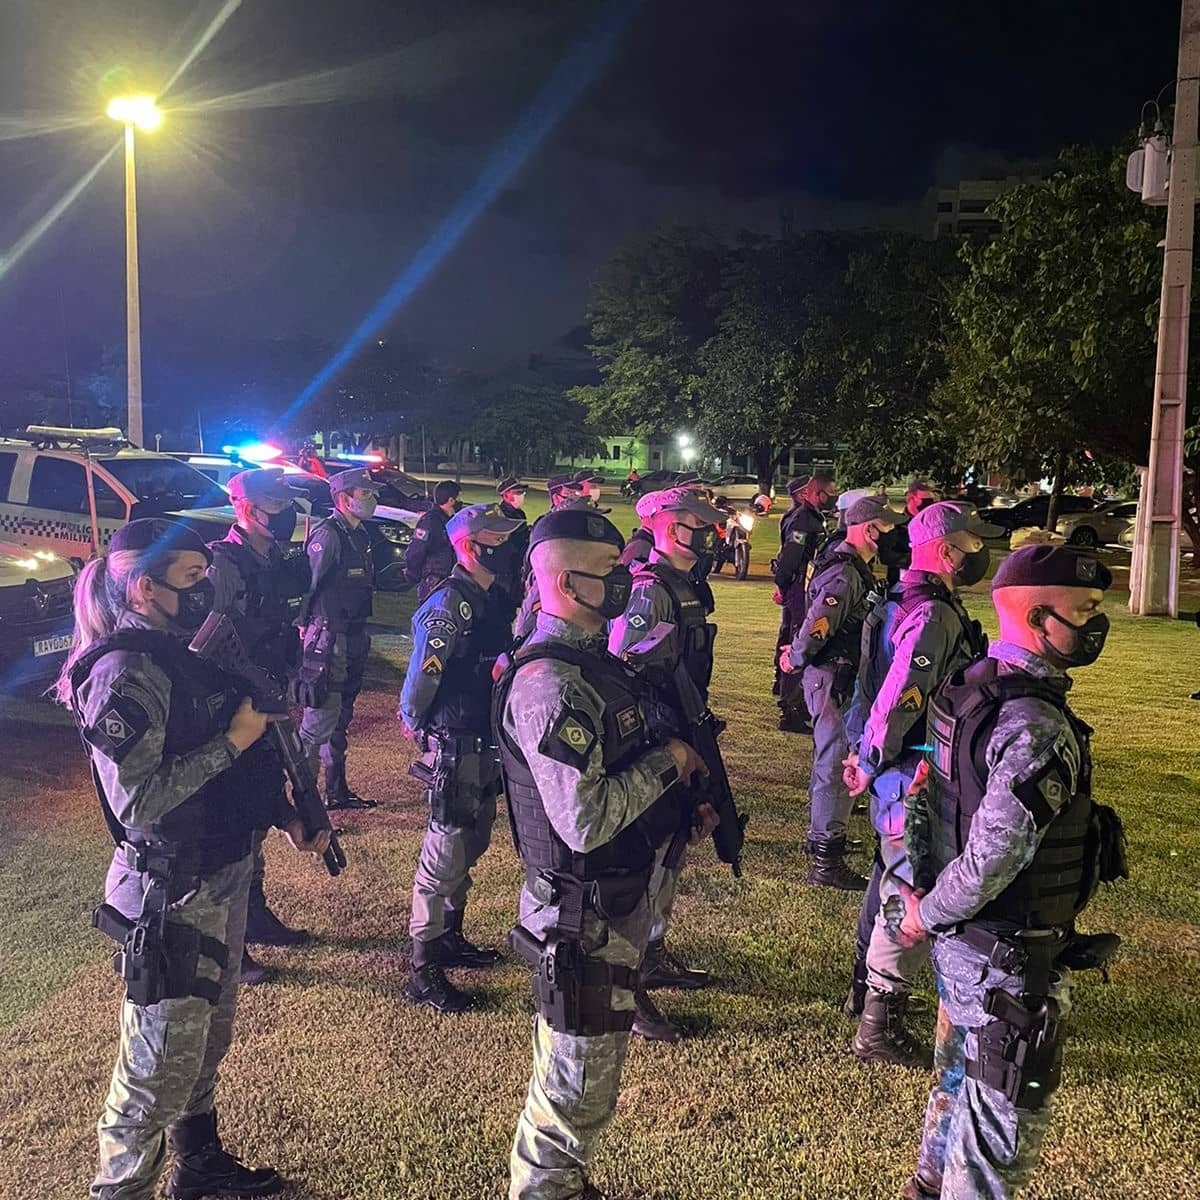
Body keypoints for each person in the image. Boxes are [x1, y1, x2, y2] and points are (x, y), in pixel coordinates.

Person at [56, 519, 329, 1200]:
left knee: (205, 1039)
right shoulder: (125, 671)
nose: (209, 589)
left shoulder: (185, 651)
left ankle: (199, 1166)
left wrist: (285, 813)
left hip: (220, 872)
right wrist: (234, 741)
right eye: (192, 578)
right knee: (152, 1073)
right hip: (169, 891)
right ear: (145, 589)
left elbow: (232, 770)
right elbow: (140, 800)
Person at [493, 506, 709, 1200]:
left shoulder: (591, 663)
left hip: (604, 904)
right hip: (578, 918)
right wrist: (672, 763)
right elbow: (584, 821)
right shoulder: (551, 685)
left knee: (583, 1083)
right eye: (610, 571)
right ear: (565, 584)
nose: (626, 580)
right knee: (573, 1095)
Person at [895, 544, 1122, 1200]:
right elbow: (995, 856)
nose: (1095, 624)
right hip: (1009, 963)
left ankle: (926, 1186)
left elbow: (924, 797)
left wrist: (924, 896)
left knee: (955, 1083)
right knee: (995, 1144)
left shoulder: (969, 688)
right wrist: (926, 910)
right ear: (1039, 617)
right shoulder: (1035, 726)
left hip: (966, 951)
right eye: (1085, 610)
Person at [840, 501, 999, 1064]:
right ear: (946, 550)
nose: (980, 553)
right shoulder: (932, 614)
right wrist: (871, 757)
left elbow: (866, 687)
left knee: (888, 872)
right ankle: (878, 1025)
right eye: (973, 543)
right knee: (908, 882)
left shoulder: (896, 600)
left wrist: (861, 751)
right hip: (915, 770)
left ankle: (862, 988)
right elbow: (900, 694)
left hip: (895, 768)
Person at [608, 486, 727, 1042]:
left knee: (673, 852)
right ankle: (625, 985)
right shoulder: (649, 591)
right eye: (693, 523)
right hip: (655, 741)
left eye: (706, 524)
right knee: (650, 861)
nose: (705, 533)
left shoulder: (687, 586)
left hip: (682, 729)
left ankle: (651, 955)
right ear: (662, 526)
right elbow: (622, 670)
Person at [399, 503, 525, 1012]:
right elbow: (425, 670)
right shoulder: (450, 602)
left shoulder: (489, 597)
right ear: (471, 546)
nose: (506, 547)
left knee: (473, 840)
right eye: (497, 538)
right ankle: (423, 967)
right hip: (453, 740)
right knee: (445, 850)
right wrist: (413, 717)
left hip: (482, 736)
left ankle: (450, 935)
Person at [208, 468, 315, 987]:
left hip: (271, 698)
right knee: (234, 822)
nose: (286, 513)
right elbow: (207, 644)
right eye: (276, 505)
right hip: (234, 709)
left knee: (259, 807)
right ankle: (232, 941)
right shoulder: (223, 566)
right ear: (247, 509)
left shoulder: (278, 563)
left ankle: (255, 915)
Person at [779, 496, 902, 890]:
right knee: (835, 764)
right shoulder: (845, 574)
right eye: (887, 529)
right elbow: (819, 625)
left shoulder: (854, 569)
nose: (892, 536)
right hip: (834, 677)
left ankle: (826, 836)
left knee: (837, 758)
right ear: (869, 529)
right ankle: (825, 861)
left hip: (840, 676)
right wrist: (795, 657)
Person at [296, 468, 382, 811]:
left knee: (340, 720)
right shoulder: (328, 535)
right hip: (329, 637)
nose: (372, 499)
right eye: (365, 493)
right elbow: (307, 586)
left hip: (354, 635)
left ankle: (336, 792)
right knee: (318, 721)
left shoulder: (358, 534)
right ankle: (304, 804)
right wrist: (303, 627)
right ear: (345, 499)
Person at [773, 473, 837, 733]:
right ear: (815, 494)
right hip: (799, 587)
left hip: (804, 586)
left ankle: (793, 700)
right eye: (829, 493)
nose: (831, 498)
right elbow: (790, 557)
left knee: (796, 637)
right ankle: (790, 710)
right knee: (799, 641)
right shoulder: (803, 520)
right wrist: (783, 586)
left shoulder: (812, 517)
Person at [512, 479, 592, 644]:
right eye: (569, 494)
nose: (573, 497)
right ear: (556, 497)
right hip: (545, 591)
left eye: (575, 493)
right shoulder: (546, 526)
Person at [879, 480, 943, 587]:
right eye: (926, 501)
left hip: (931, 585)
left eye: (933, 500)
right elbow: (886, 556)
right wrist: (917, 558)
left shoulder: (934, 525)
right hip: (902, 586)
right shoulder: (896, 525)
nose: (930, 504)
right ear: (911, 499)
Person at [406, 480, 462, 600]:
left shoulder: (452, 520)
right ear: (451, 500)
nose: (460, 502)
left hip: (450, 577)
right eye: (459, 498)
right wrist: (412, 574)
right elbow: (416, 550)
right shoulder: (430, 521)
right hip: (434, 580)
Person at [494, 476, 531, 625]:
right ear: (505, 495)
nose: (521, 495)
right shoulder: (499, 515)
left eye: (522, 492)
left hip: (517, 568)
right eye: (517, 492)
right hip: (504, 570)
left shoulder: (520, 514)